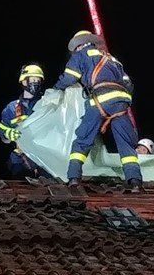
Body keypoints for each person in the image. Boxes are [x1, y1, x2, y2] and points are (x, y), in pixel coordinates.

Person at [53, 30, 144, 192]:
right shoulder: (110, 58)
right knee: (126, 144)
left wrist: (55, 90)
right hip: (121, 102)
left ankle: (74, 178)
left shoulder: (81, 55)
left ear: (79, 45)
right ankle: (135, 181)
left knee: (83, 138)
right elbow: (128, 83)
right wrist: (120, 99)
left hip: (99, 100)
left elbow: (69, 78)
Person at [0, 63, 47, 178]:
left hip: (45, 158)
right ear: (24, 81)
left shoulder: (47, 104)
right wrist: (7, 133)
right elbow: (2, 130)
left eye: (38, 80)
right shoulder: (12, 108)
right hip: (22, 159)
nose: (36, 83)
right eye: (33, 79)